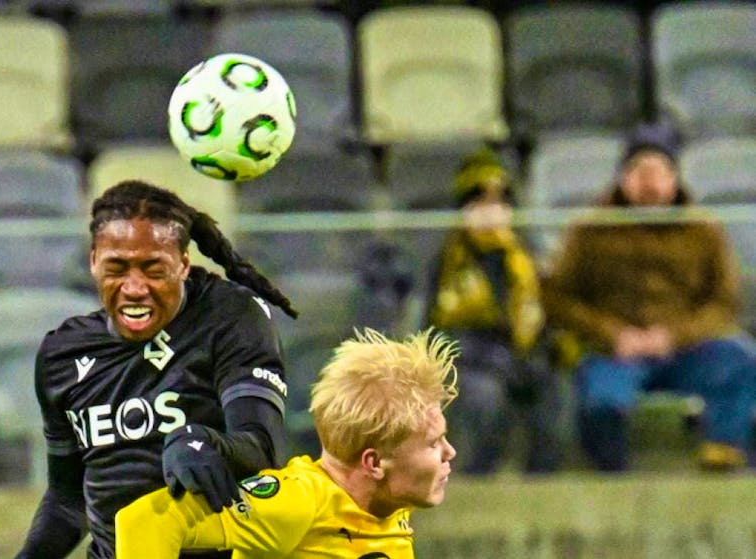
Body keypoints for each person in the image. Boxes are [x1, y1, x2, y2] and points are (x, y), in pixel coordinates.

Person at [16, 180, 298, 559]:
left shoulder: (229, 316)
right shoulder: (62, 354)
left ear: (183, 265)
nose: (135, 288)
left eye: (154, 270)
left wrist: (203, 441)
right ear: (93, 261)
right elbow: (68, 501)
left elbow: (263, 448)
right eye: (117, 268)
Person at [114, 327, 459, 558]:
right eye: (433, 443)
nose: (450, 452)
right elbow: (144, 521)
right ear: (374, 463)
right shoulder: (296, 503)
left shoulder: (390, 506)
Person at [542, 123, 756, 472]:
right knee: (600, 403)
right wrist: (612, 335)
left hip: (686, 349)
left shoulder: (705, 230)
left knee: (740, 360)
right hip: (613, 352)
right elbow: (557, 298)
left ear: (675, 178)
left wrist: (673, 336)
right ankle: (613, 476)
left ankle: (723, 455)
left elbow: (724, 302)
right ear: (623, 178)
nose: (650, 183)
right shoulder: (589, 230)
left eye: (659, 172)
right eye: (640, 172)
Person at [426, 147, 562, 475]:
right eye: (480, 203)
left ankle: (542, 481)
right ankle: (478, 479)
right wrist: (493, 360)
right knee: (486, 398)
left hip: (523, 358)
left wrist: (543, 354)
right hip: (470, 362)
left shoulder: (525, 256)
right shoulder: (445, 260)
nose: (491, 212)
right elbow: (435, 330)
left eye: (499, 203)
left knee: (555, 392)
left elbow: (544, 318)